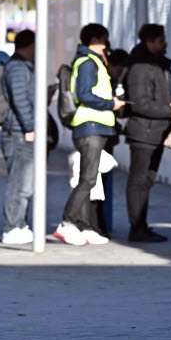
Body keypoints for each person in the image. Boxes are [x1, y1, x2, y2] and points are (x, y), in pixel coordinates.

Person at [54, 23, 125, 246]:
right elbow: (84, 94)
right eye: (105, 42)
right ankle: (67, 222)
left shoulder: (92, 62)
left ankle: (84, 226)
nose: (107, 47)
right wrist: (110, 103)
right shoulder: (87, 62)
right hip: (90, 126)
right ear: (95, 41)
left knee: (89, 180)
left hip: (95, 126)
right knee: (87, 179)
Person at [125, 23, 171, 243]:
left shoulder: (158, 65)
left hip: (156, 131)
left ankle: (141, 225)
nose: (164, 44)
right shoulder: (141, 67)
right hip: (144, 132)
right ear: (149, 42)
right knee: (139, 180)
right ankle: (136, 228)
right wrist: (169, 110)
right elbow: (139, 103)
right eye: (160, 41)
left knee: (147, 180)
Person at [0, 29, 37, 245]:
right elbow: (20, 99)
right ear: (30, 45)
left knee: (25, 183)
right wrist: (30, 127)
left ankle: (19, 224)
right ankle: (12, 226)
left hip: (22, 132)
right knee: (19, 183)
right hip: (20, 134)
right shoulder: (16, 67)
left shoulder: (22, 67)